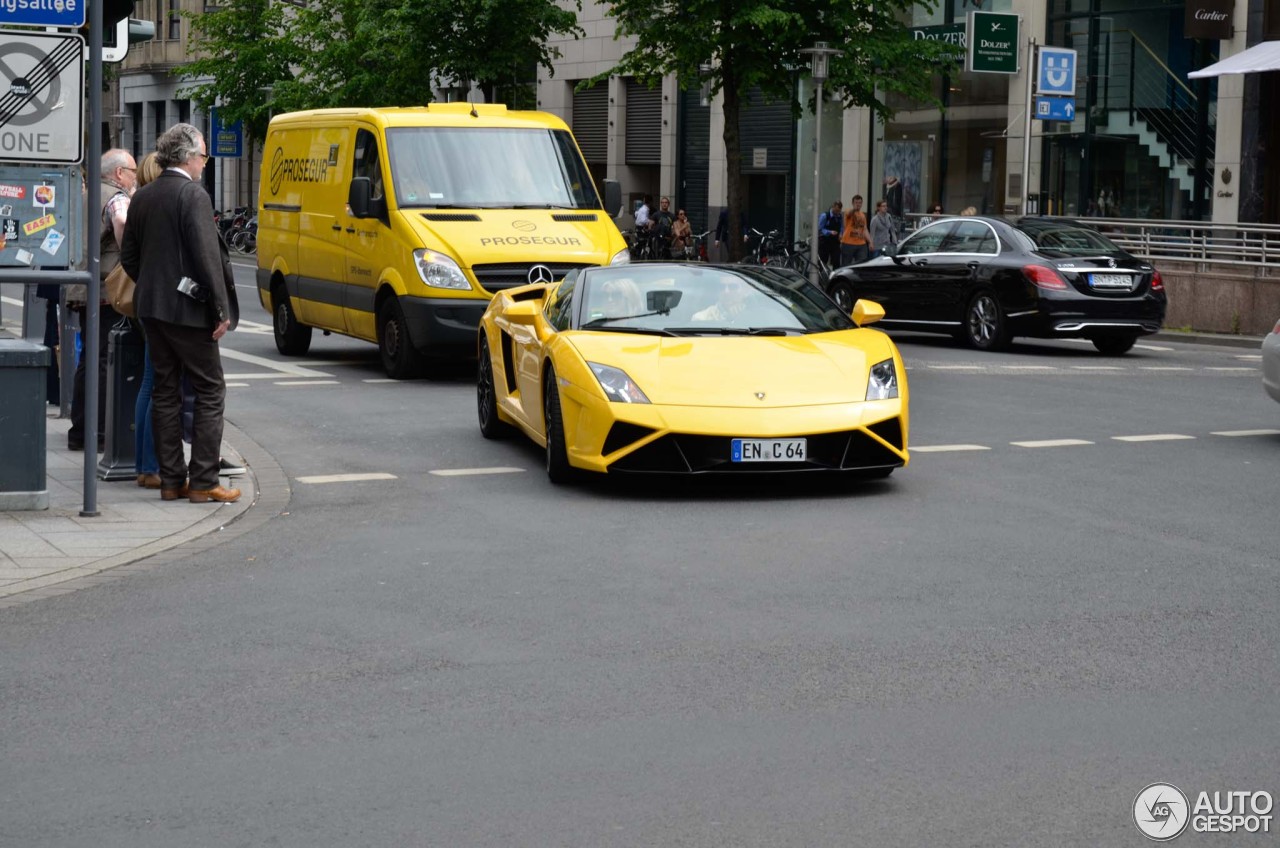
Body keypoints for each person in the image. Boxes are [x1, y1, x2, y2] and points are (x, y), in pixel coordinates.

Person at [120, 123, 240, 504]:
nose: (205, 162)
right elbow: (207, 257)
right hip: (188, 311)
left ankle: (172, 480)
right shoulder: (193, 195)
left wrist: (154, 284)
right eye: (203, 155)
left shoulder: (144, 195)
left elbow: (129, 257)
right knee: (209, 389)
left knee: (165, 390)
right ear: (188, 157)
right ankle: (204, 480)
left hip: (151, 309)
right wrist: (220, 309)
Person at [67, 148, 136, 451]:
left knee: (88, 359)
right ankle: (101, 431)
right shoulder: (117, 196)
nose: (135, 178)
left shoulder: (84, 194)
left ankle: (80, 429)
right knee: (106, 360)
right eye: (133, 172)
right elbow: (121, 222)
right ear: (119, 173)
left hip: (83, 286)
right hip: (109, 290)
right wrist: (131, 255)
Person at [131, 152, 163, 488]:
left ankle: (144, 465)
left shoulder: (138, 201)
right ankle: (151, 467)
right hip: (161, 305)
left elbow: (130, 256)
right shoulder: (158, 204)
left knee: (147, 383)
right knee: (160, 387)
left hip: (143, 300)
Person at [840, 195, 869, 266]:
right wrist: (854, 209)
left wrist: (870, 242)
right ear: (853, 203)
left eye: (860, 203)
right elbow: (849, 214)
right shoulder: (848, 212)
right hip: (848, 243)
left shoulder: (863, 215)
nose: (858, 204)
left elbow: (865, 229)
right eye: (856, 202)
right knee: (846, 264)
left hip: (861, 244)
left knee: (862, 264)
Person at [817, 200, 842, 268]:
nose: (837, 213)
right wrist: (829, 232)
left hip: (835, 242)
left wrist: (841, 234)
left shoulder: (839, 216)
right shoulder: (825, 216)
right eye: (836, 211)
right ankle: (821, 277)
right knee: (823, 261)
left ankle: (835, 276)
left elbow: (841, 226)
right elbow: (819, 229)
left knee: (836, 261)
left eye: (838, 211)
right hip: (825, 241)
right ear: (833, 207)